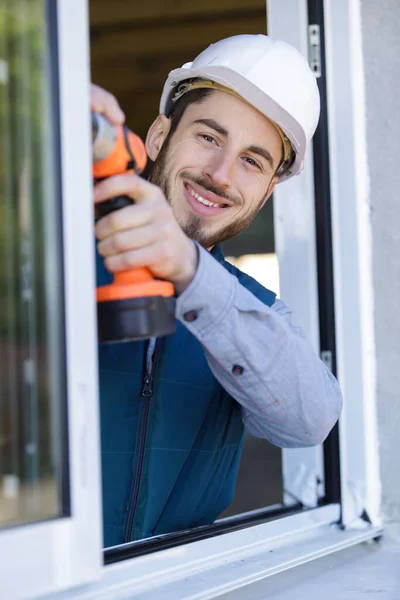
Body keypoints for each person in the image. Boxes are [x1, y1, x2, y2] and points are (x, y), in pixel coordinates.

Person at [92, 34, 343, 548]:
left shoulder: (256, 315)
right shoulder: (54, 268)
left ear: (267, 190)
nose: (220, 175)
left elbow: (310, 421)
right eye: (209, 137)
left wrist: (190, 273)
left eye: (252, 161)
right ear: (159, 136)